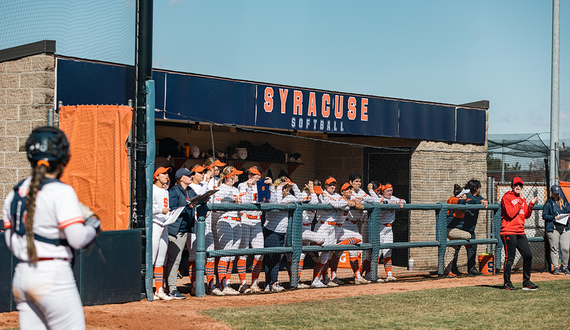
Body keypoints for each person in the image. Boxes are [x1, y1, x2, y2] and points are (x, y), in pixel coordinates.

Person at [3, 126, 102, 329]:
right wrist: (93, 224)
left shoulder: (15, 193)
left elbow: (10, 242)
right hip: (53, 276)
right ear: (63, 158)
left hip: (22, 275)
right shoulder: (61, 191)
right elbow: (77, 238)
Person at [311, 177, 351, 288]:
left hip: (332, 228)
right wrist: (334, 202)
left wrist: (333, 201)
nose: (332, 186)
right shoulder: (320, 193)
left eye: (334, 184)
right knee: (321, 253)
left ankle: (323, 279)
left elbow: (344, 203)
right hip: (322, 225)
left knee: (327, 254)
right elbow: (338, 205)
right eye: (330, 184)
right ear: (325, 185)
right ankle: (316, 280)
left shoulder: (337, 195)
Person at [500, 177, 539, 290]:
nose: (518, 187)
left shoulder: (522, 199)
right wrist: (521, 201)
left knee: (528, 255)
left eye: (520, 185)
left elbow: (526, 215)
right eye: (516, 185)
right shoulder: (506, 197)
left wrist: (530, 204)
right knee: (510, 257)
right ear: (512, 186)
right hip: (508, 231)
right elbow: (511, 214)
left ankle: (526, 282)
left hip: (520, 231)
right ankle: (507, 283)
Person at [164, 167, 197, 299]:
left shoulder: (190, 190)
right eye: (188, 175)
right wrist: (186, 207)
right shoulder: (174, 191)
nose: (190, 177)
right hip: (175, 230)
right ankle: (171, 289)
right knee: (174, 260)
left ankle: (169, 287)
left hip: (186, 229)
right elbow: (170, 210)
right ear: (181, 177)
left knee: (174, 260)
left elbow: (198, 200)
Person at [264, 176, 300, 292]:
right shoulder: (273, 194)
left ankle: (271, 283)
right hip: (271, 230)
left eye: (289, 187)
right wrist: (278, 189)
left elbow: (301, 199)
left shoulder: (290, 196)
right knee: (271, 258)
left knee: (276, 258)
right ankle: (272, 283)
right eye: (286, 187)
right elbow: (277, 204)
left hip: (283, 232)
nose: (287, 189)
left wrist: (294, 186)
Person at [212, 166, 243, 295]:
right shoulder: (220, 189)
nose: (237, 176)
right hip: (225, 221)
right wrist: (231, 201)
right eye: (235, 174)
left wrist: (239, 202)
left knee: (231, 256)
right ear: (230, 176)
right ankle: (222, 284)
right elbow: (216, 207)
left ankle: (227, 283)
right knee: (225, 254)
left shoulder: (236, 189)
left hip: (237, 221)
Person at [237, 166, 269, 293]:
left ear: (259, 176)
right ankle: (243, 284)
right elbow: (246, 202)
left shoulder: (262, 185)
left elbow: (268, 201)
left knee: (259, 252)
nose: (250, 176)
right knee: (243, 253)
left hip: (257, 221)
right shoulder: (242, 185)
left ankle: (254, 282)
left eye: (253, 174)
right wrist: (249, 188)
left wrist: (270, 186)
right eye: (249, 174)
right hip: (244, 220)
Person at [368, 182, 405, 282]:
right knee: (377, 252)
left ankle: (389, 275)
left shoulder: (393, 198)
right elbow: (384, 202)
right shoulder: (378, 198)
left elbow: (404, 201)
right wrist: (394, 202)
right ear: (382, 191)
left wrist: (400, 202)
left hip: (389, 228)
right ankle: (372, 275)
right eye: (387, 191)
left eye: (391, 190)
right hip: (379, 228)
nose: (389, 192)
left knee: (388, 252)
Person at [152, 166, 174, 300]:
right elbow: (147, 209)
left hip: (164, 225)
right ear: (157, 176)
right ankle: (148, 289)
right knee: (152, 258)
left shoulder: (165, 191)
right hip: (155, 224)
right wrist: (161, 211)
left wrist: (169, 214)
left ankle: (159, 290)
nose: (166, 176)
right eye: (164, 173)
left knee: (161, 259)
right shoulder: (152, 189)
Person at [542, 184, 570, 275]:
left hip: (564, 228)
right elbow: (544, 215)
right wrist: (554, 217)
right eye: (555, 193)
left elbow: (569, 211)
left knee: (565, 248)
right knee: (554, 248)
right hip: (553, 228)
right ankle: (556, 268)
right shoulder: (548, 203)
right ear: (551, 192)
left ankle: (565, 267)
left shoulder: (564, 201)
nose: (556, 195)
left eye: (558, 193)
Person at [445, 184, 472, 276]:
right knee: (468, 236)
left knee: (452, 250)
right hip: (450, 229)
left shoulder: (461, 200)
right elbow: (460, 202)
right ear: (461, 195)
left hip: (455, 230)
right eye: (465, 194)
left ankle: (447, 271)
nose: (466, 196)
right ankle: (467, 244)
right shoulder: (454, 200)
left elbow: (469, 201)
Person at [462, 179, 489, 276]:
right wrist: (480, 201)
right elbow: (472, 201)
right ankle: (453, 268)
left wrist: (484, 201)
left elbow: (484, 200)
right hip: (461, 227)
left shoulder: (477, 196)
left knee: (473, 247)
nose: (480, 189)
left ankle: (471, 269)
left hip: (471, 229)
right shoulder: (466, 195)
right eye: (479, 187)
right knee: (455, 247)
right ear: (475, 188)